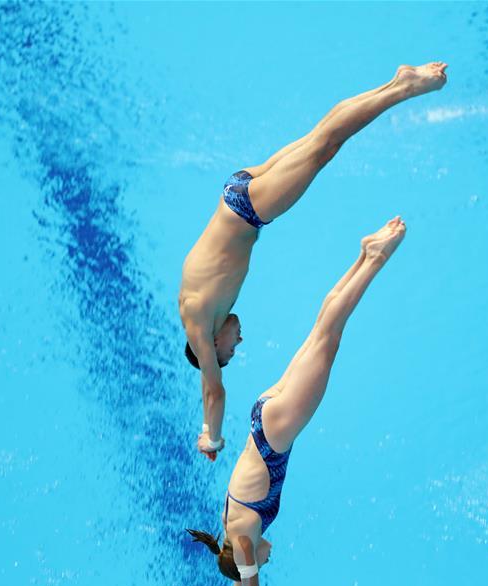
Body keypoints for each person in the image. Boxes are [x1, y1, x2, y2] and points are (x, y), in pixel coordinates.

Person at [179, 63, 448, 461]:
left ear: (212, 347)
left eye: (231, 351)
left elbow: (213, 390)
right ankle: (395, 83)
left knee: (326, 145)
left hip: (247, 209)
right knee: (321, 137)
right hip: (236, 191)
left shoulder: (200, 325)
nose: (238, 342)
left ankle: (402, 88)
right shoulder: (202, 309)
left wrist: (211, 437)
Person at [187, 217, 406, 586]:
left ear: (247, 559)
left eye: (261, 564)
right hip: (263, 415)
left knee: (330, 337)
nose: (270, 557)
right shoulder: (231, 532)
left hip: (276, 434)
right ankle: (364, 253)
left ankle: (374, 259)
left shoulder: (246, 543)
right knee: (321, 331)